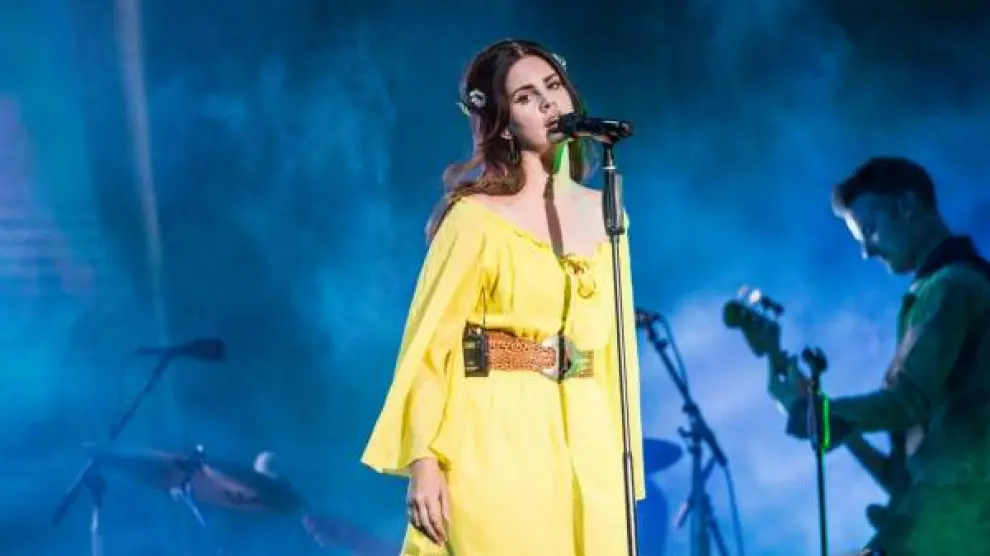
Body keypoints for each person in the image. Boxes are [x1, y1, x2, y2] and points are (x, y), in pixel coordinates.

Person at [360, 39, 646, 556]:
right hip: (495, 434)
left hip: (589, 440)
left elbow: (617, 352)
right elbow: (429, 351)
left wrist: (626, 471)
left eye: (553, 87)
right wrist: (423, 461)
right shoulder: (475, 219)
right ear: (503, 123)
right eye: (525, 97)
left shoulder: (609, 215)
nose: (547, 103)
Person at [773, 156, 990, 555]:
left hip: (960, 513)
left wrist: (824, 415)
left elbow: (908, 400)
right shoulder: (955, 283)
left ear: (906, 206)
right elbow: (914, 449)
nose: (867, 251)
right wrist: (830, 417)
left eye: (870, 229)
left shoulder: (951, 287)